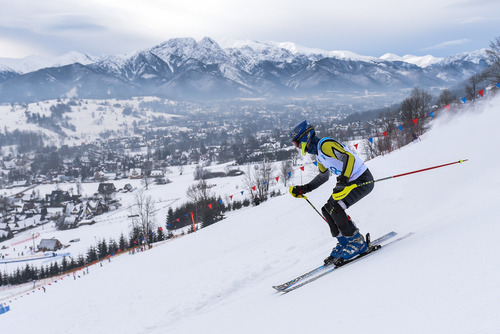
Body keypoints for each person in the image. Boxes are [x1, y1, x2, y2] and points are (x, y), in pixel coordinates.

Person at [289, 120, 375, 265]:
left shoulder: (325, 144)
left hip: (362, 180)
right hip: (349, 182)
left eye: (296, 143)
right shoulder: (318, 154)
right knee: (327, 209)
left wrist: (342, 181)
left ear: (304, 138)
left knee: (336, 208)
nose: (296, 147)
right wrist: (305, 188)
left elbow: (348, 157)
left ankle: (357, 241)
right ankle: (344, 242)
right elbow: (323, 176)